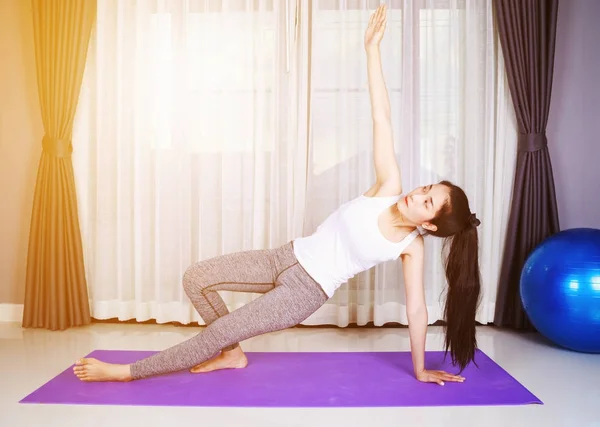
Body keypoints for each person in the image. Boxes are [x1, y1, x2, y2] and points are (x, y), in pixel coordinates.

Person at [73, 4, 481, 387]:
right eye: (426, 187)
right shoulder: (387, 186)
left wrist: (420, 367)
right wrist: (371, 50)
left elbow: (415, 311)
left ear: (428, 224)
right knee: (196, 278)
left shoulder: (411, 248)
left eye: (427, 201)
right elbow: (381, 116)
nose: (417, 193)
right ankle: (232, 354)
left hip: (304, 292)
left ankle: (126, 373)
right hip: (283, 257)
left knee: (220, 327)